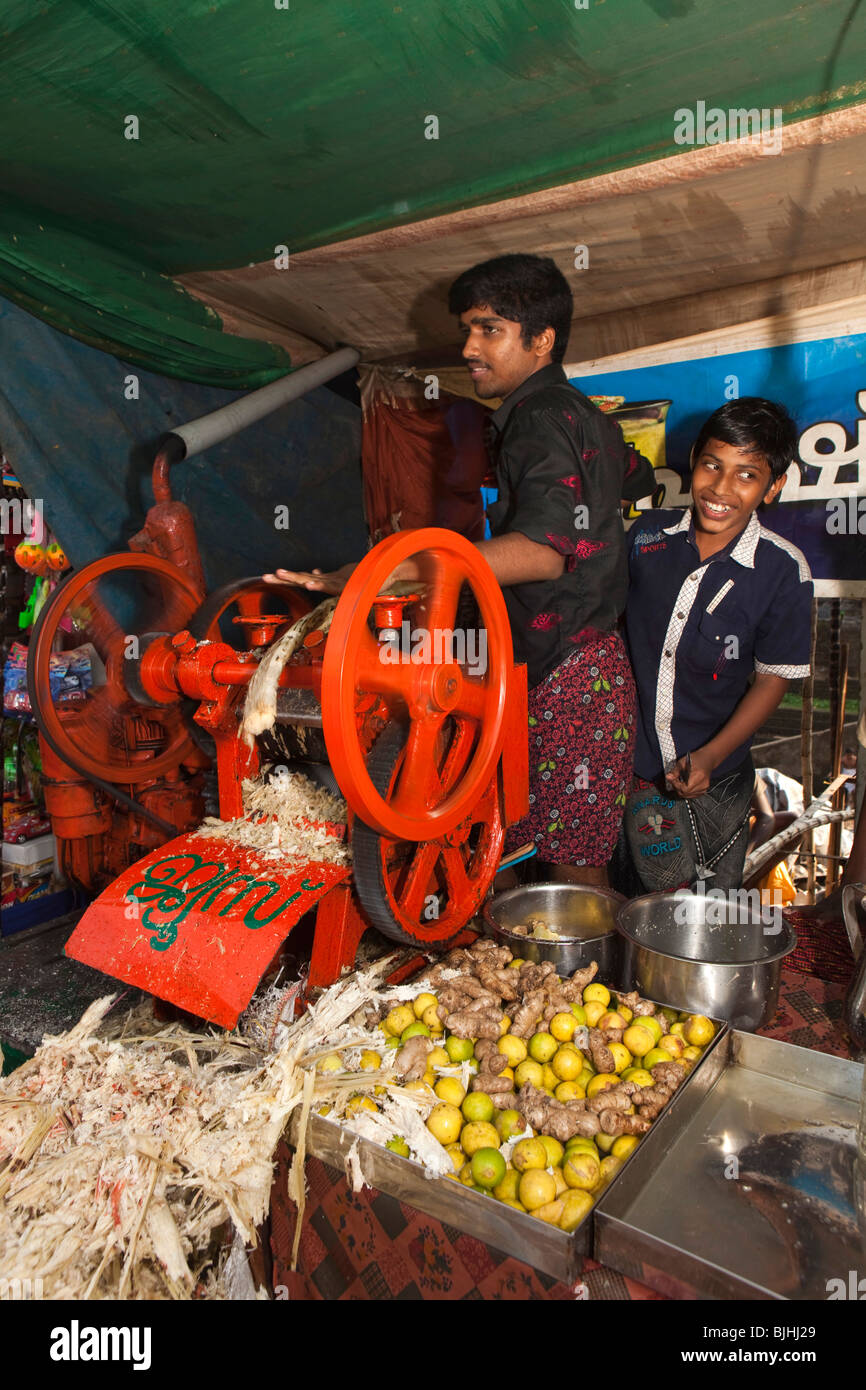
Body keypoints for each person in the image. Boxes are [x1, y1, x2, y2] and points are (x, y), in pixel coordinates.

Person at [264, 253, 653, 886]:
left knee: (569, 877)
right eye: (467, 328)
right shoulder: (570, 413)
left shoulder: (540, 416)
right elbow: (627, 471)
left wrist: (388, 571)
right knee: (529, 859)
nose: (469, 346)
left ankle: (586, 985)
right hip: (570, 666)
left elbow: (541, 550)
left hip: (569, 675)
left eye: (488, 329)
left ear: (542, 339)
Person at [623, 397, 813, 892]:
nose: (721, 488)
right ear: (693, 462)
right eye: (712, 464)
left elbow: (774, 678)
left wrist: (710, 755)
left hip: (719, 782)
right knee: (625, 904)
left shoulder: (783, 571)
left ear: (773, 487)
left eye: (746, 475)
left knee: (702, 916)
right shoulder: (646, 538)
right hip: (630, 769)